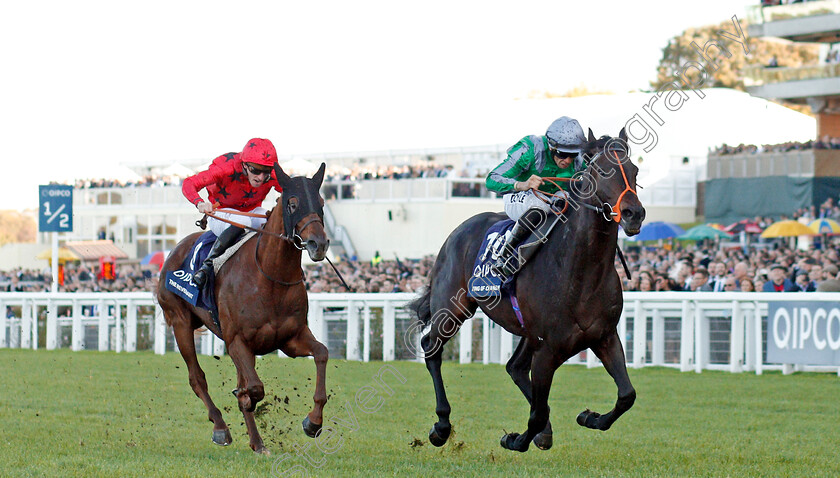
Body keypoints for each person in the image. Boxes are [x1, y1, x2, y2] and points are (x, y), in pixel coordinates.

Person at [485, 116, 587, 276]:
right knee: (540, 206)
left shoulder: (577, 160)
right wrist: (521, 184)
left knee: (566, 201)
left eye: (572, 155)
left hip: (552, 198)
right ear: (552, 147)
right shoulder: (530, 150)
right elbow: (491, 180)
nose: (567, 160)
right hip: (519, 196)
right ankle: (505, 256)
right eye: (562, 154)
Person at [181, 138, 282, 288]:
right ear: (245, 165)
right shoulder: (226, 169)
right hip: (221, 212)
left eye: (265, 172)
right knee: (244, 223)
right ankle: (207, 266)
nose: (260, 177)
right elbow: (189, 183)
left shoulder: (273, 173)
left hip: (251, 212)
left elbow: (291, 191)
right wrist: (199, 202)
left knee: (272, 220)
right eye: (255, 170)